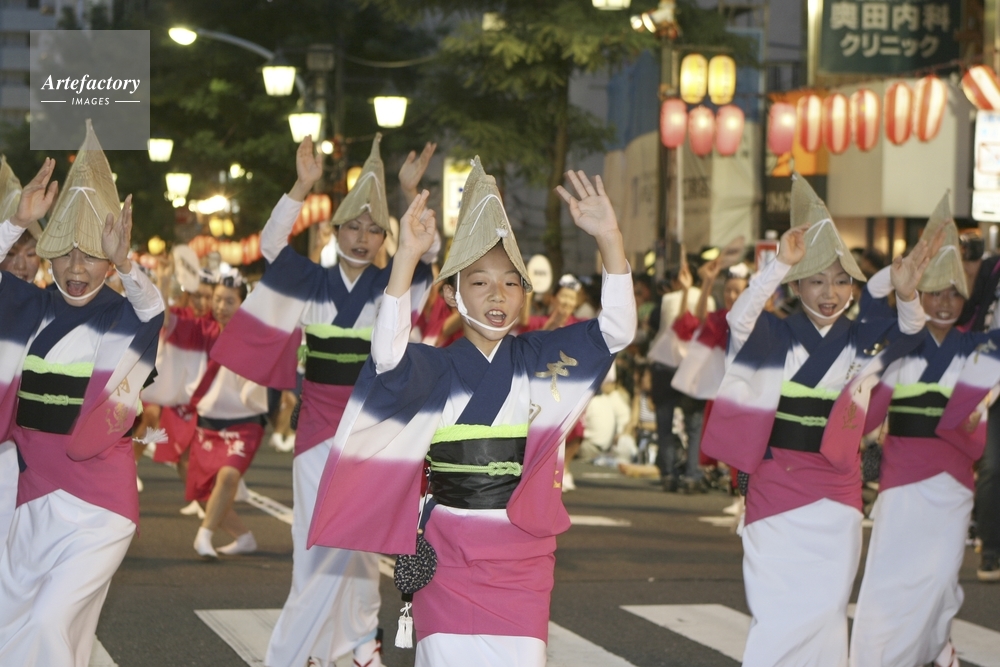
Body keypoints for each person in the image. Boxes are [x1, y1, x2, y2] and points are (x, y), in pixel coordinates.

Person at [307, 160, 635, 666]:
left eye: (511, 283)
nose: (498, 294)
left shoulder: (541, 358)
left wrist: (610, 238)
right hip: (448, 553)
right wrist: (406, 257)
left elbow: (615, 330)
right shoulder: (434, 367)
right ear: (452, 294)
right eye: (480, 282)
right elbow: (387, 357)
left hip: (523, 555)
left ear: (525, 294)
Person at [212, 134, 439, 667]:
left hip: (374, 430)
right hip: (318, 428)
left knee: (361, 544)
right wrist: (302, 184)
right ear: (333, 230)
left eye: (374, 229)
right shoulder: (310, 281)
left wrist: (413, 195)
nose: (362, 237)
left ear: (386, 237)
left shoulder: (396, 284)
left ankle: (359, 642)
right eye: (352, 226)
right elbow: (271, 245)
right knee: (314, 547)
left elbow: (429, 254)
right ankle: (296, 654)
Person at [700, 175, 939, 667]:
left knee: (828, 610)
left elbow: (913, 332)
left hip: (838, 489)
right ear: (796, 285)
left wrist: (907, 295)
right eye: (816, 280)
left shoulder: (864, 339)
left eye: (841, 280)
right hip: (776, 486)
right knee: (779, 612)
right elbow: (738, 319)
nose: (830, 292)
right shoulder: (772, 333)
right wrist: (778, 263)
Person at [0, 121, 164, 666]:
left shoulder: (126, 315)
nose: (76, 267)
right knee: (15, 620)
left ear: (110, 261)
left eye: (91, 254)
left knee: (48, 621)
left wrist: (127, 264)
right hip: (34, 495)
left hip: (100, 504)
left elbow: (152, 309)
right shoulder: (25, 307)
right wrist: (13, 222)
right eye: (65, 252)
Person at [850, 196, 1000, 667]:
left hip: (953, 481)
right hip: (902, 478)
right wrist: (904, 270)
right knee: (890, 577)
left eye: (954, 293)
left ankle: (935, 648)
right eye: (934, 292)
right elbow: (869, 302)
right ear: (920, 294)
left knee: (940, 580)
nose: (944, 302)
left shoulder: (979, 347)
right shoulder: (903, 341)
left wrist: (974, 414)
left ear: (966, 298)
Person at [186, 270, 269, 558]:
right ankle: (244, 538)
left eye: (230, 301)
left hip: (245, 421)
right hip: (208, 423)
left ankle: (203, 536)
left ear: (243, 304)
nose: (221, 306)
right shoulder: (202, 332)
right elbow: (169, 325)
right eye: (218, 300)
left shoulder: (254, 337)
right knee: (202, 494)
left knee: (229, 476)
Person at [647, 256, 715, 491]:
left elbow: (669, 328)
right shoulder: (709, 300)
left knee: (665, 423)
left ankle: (669, 473)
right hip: (694, 368)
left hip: (666, 366)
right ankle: (692, 475)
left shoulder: (668, 299)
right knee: (694, 424)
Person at [957, 230, 1000, 582]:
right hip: (991, 377)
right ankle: (991, 550)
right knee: (993, 466)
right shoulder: (992, 269)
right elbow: (969, 313)